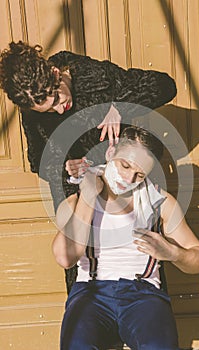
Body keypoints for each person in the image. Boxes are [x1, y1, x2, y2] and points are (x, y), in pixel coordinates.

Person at [0, 41, 177, 292]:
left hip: (123, 191)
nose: (59, 109)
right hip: (79, 200)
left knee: (140, 272)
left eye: (57, 99)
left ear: (55, 73)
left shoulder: (95, 76)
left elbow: (165, 85)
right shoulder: (32, 107)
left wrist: (118, 106)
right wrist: (65, 167)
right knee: (82, 285)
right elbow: (39, 160)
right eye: (49, 110)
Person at [52, 126, 199, 350]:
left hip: (142, 294)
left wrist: (171, 252)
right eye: (124, 165)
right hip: (91, 291)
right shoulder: (75, 201)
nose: (128, 178)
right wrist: (88, 195)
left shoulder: (160, 203)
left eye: (140, 174)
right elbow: (65, 258)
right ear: (110, 152)